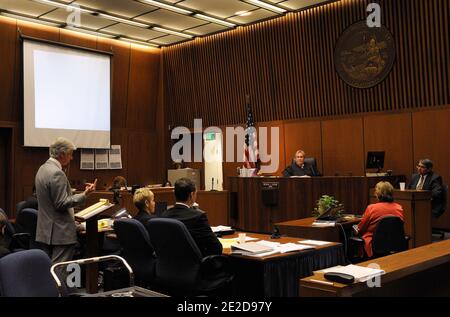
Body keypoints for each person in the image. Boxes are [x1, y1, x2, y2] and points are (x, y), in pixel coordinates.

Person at [35, 137, 97, 263]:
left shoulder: (42, 169)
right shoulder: (57, 173)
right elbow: (61, 203)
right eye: (70, 154)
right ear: (62, 154)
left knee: (49, 269)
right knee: (59, 271)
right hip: (60, 232)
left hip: (45, 230)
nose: (71, 158)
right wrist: (85, 194)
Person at [162, 178, 222, 257]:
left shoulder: (165, 215)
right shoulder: (198, 216)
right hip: (195, 265)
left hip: (168, 265)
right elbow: (216, 248)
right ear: (191, 195)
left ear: (175, 194)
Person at [354, 181, 404, 258]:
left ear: (377, 194)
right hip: (394, 243)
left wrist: (356, 229)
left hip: (374, 244)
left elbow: (361, 229)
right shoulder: (399, 207)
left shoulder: (371, 208)